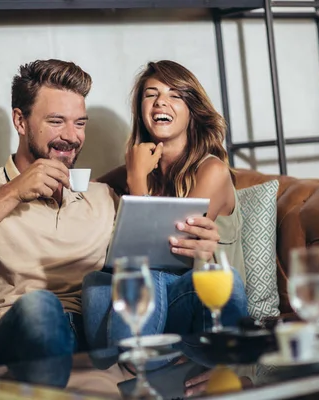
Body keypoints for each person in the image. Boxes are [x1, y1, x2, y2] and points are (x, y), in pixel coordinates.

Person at [0, 59, 223, 378]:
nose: (71, 137)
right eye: (57, 121)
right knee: (42, 307)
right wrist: (14, 191)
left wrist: (201, 245)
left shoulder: (102, 195)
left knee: (206, 286)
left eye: (80, 123)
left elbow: (151, 267)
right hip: (21, 336)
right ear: (20, 121)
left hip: (97, 340)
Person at [82, 60, 248, 351]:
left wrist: (136, 181)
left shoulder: (212, 171)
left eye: (175, 95)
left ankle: (132, 363)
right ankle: (121, 367)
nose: (161, 101)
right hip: (151, 309)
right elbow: (85, 197)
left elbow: (163, 253)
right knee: (97, 281)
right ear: (141, 110)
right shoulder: (134, 170)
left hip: (201, 301)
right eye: (151, 94)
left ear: (192, 110)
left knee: (150, 272)